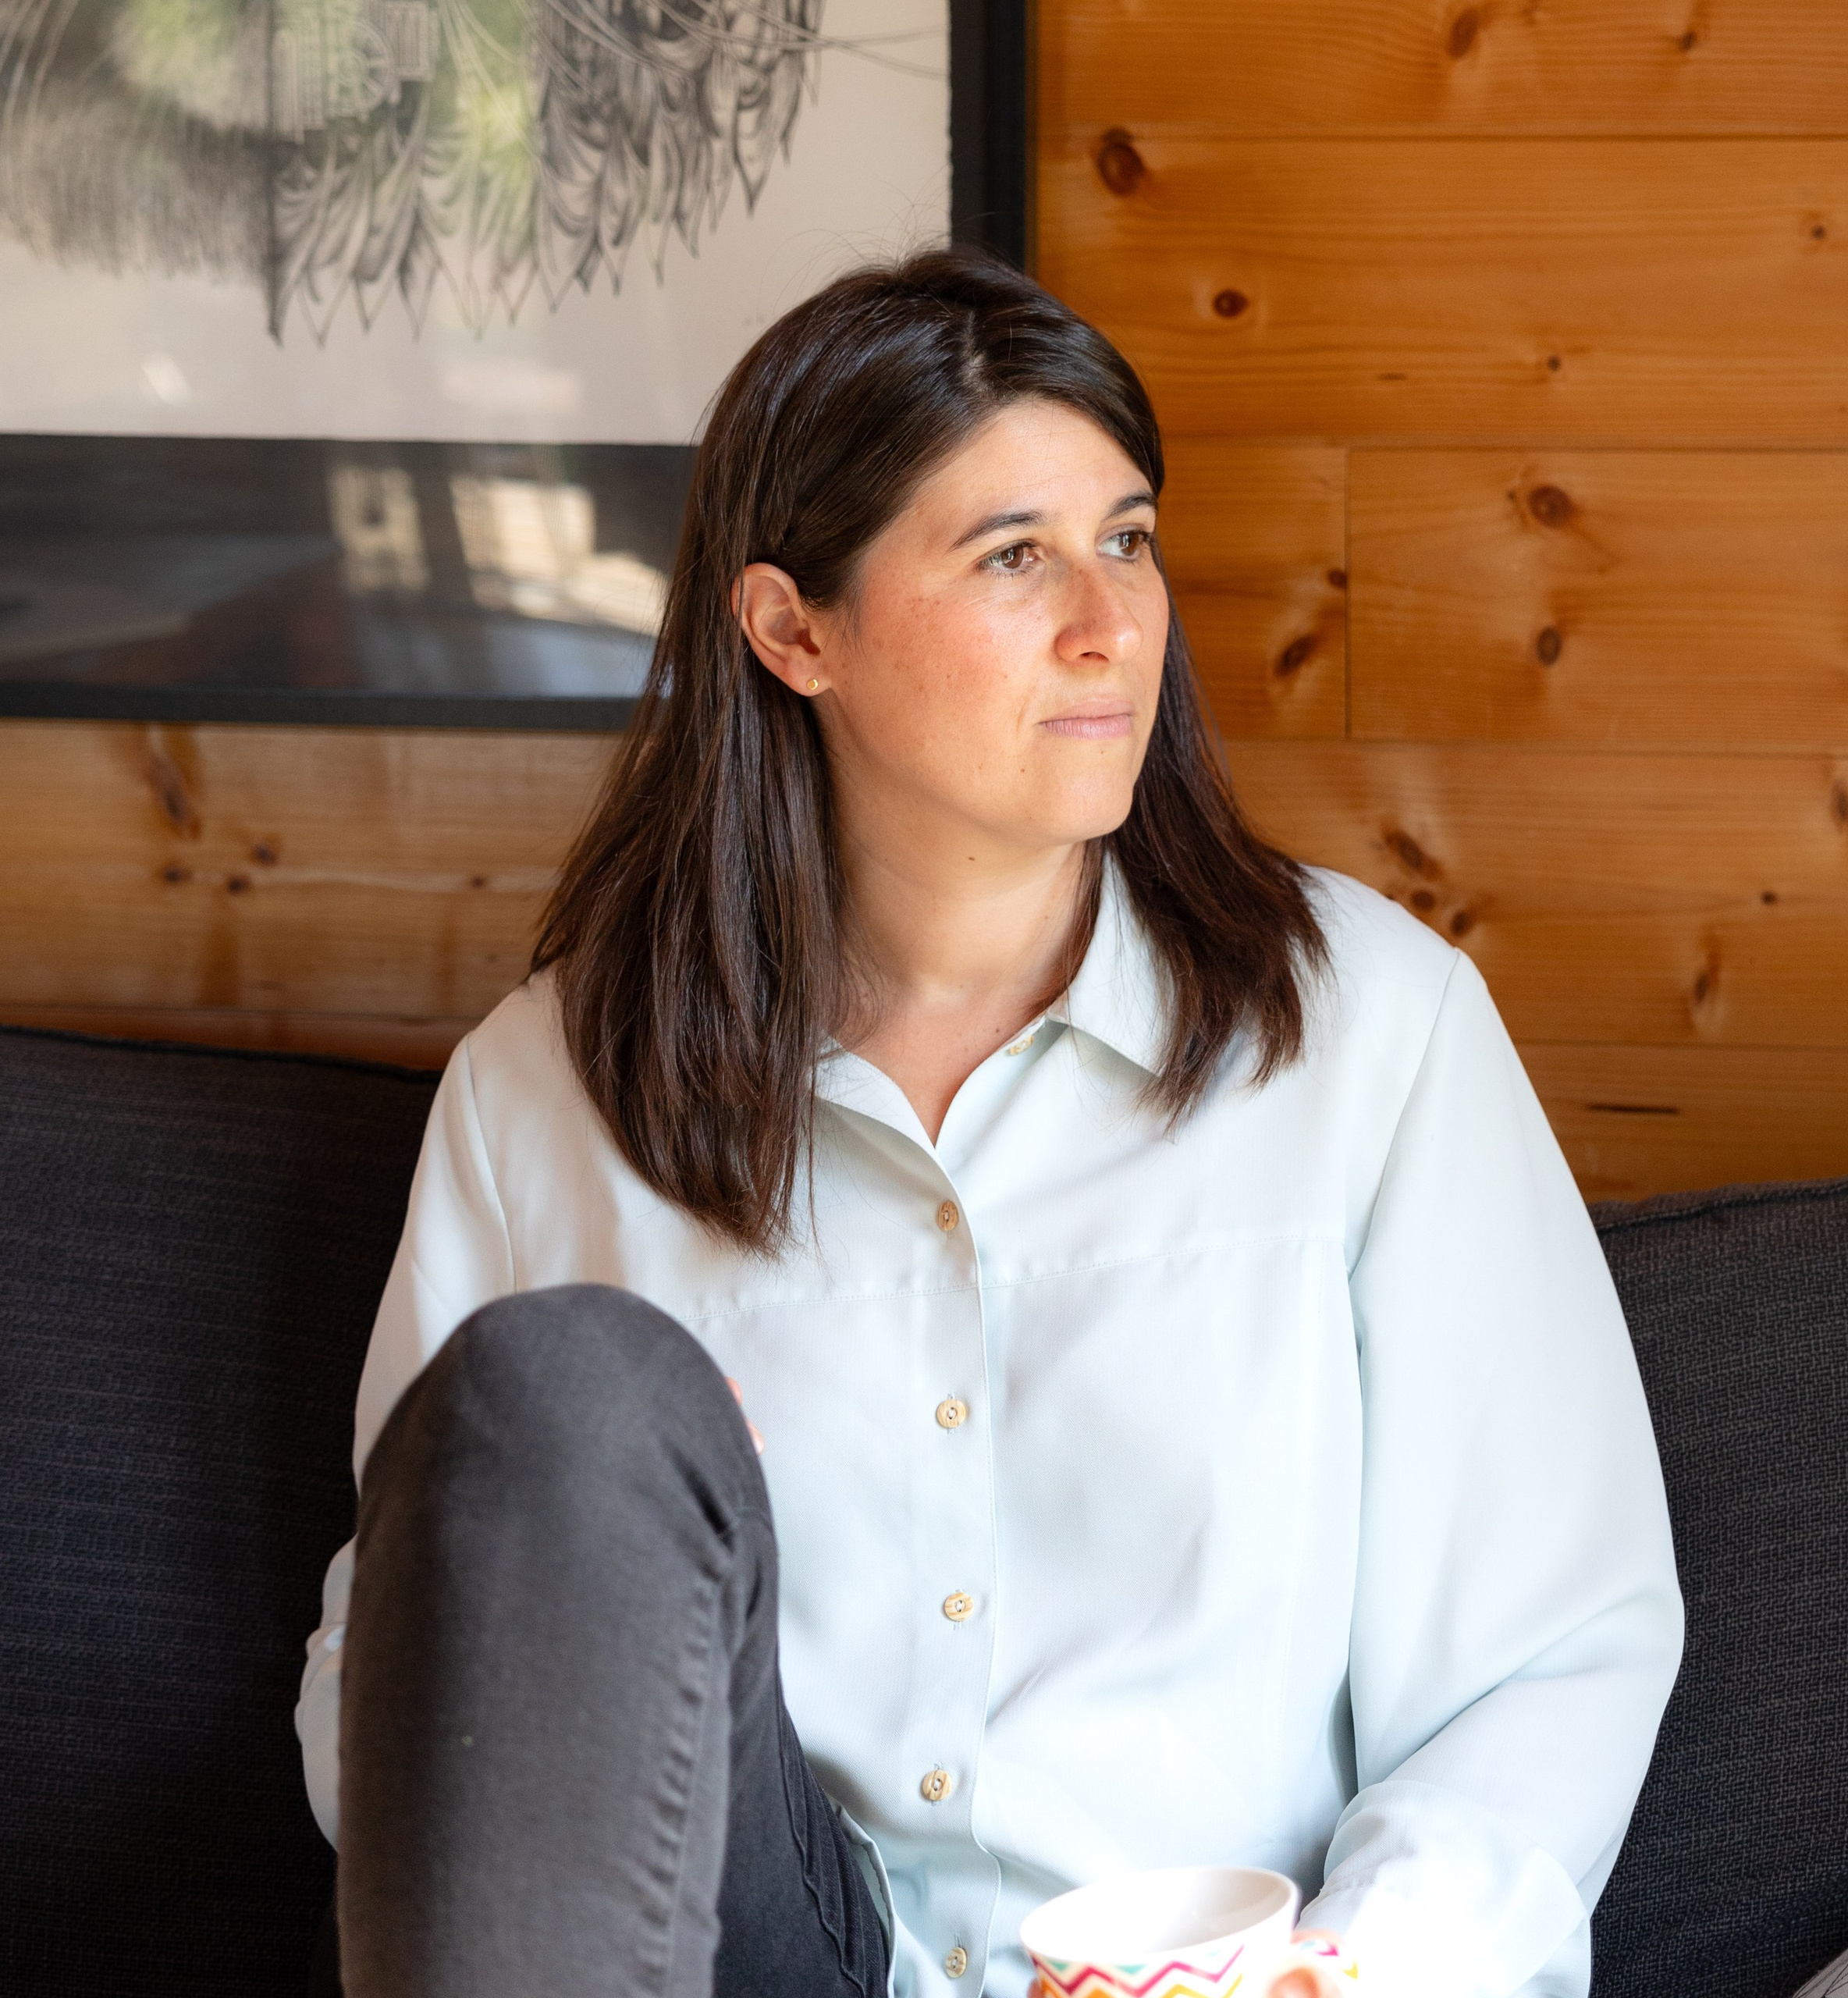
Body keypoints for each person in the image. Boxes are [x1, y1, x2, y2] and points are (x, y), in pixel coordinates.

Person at [296, 248, 1683, 1998]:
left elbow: (1544, 1659)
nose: (1111, 622)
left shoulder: (1371, 1032)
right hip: (750, 1956)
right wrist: (628, 1550)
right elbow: (386, 1694)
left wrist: (1340, 1971)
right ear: (794, 628)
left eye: (1125, 534)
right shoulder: (542, 1089)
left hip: (1232, 1977)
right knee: (570, 1397)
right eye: (1013, 555)